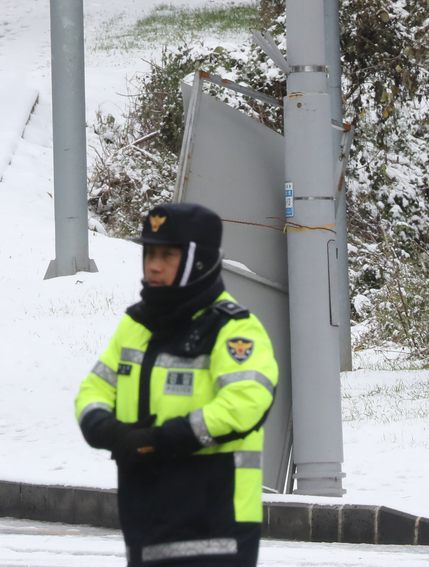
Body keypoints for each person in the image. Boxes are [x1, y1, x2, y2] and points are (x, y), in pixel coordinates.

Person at [75, 203, 279, 567]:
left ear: (198, 261)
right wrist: (110, 433)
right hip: (146, 515)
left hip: (214, 523)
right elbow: (93, 390)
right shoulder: (135, 326)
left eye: (167, 255)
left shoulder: (234, 329)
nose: (153, 265)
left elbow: (245, 404)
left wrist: (159, 441)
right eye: (149, 253)